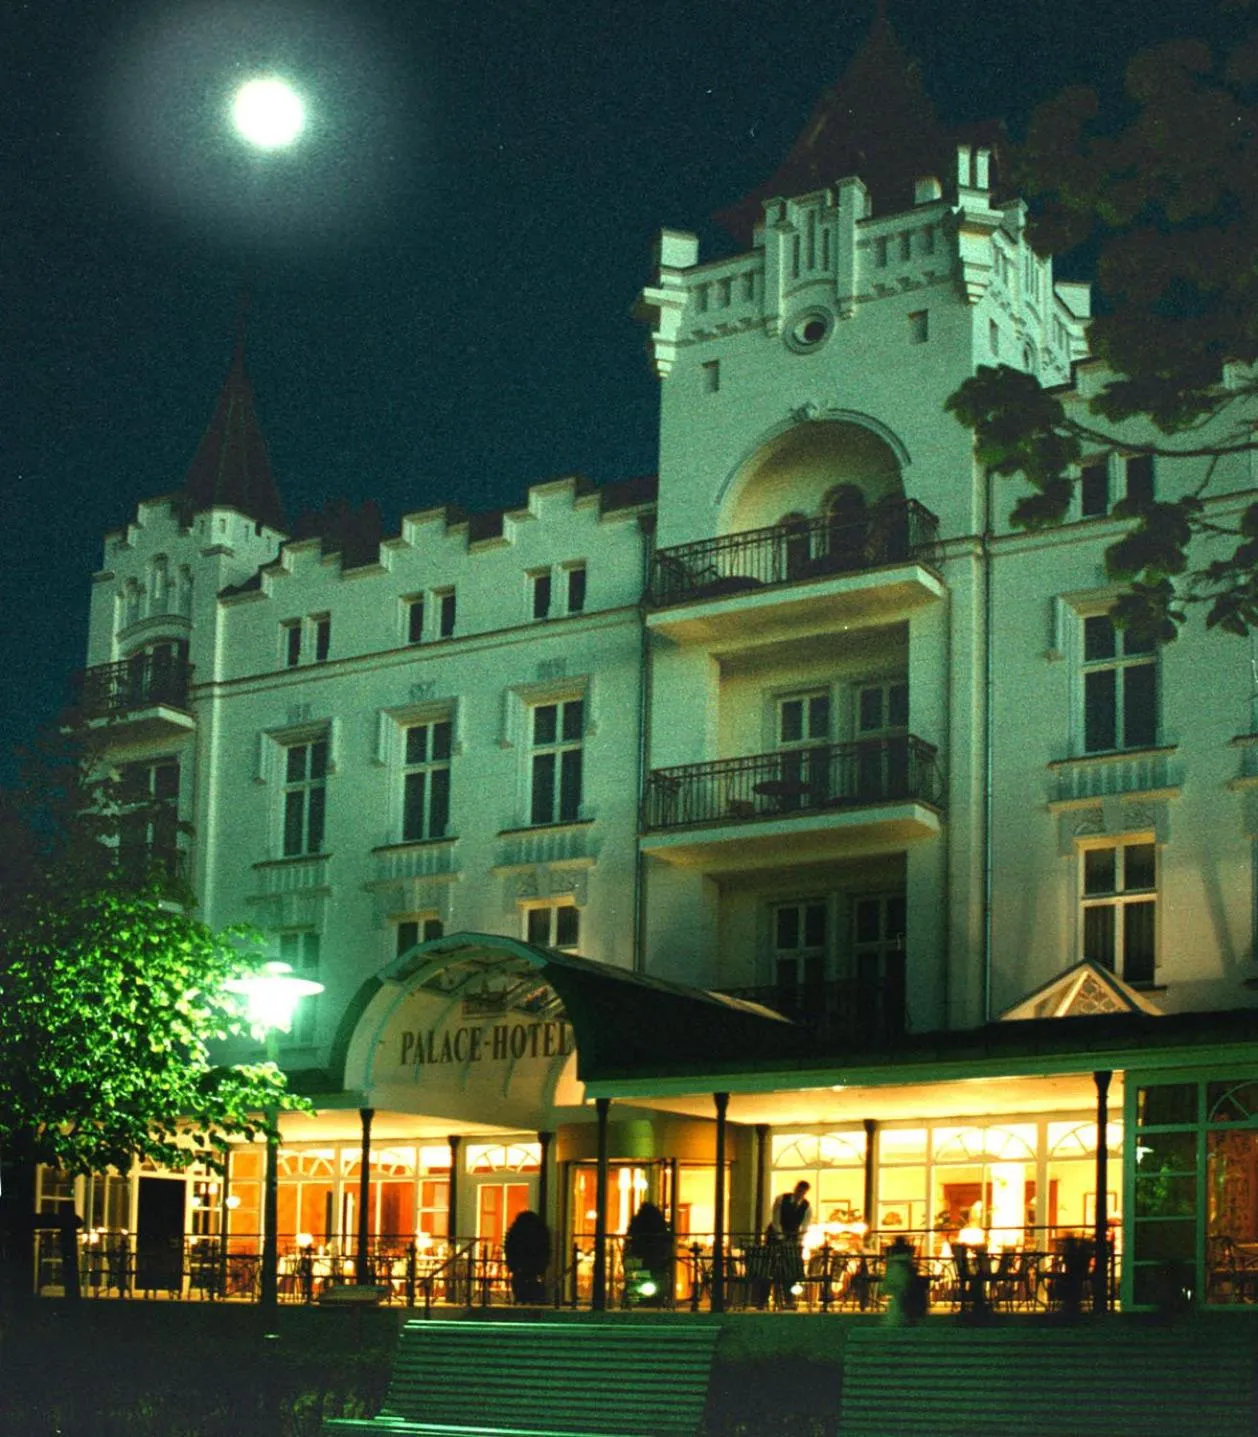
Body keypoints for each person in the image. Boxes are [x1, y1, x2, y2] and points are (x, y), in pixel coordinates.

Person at [770, 1181, 811, 1307]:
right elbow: (776, 1219)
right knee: (772, 1267)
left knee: (791, 1269)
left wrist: (798, 1241)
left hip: (792, 1238)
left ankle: (789, 1298)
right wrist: (780, 1236)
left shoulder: (806, 1206)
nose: (800, 1194)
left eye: (802, 1192)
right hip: (775, 1237)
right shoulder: (781, 1199)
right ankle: (772, 1297)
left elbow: (804, 1225)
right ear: (795, 1189)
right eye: (799, 1190)